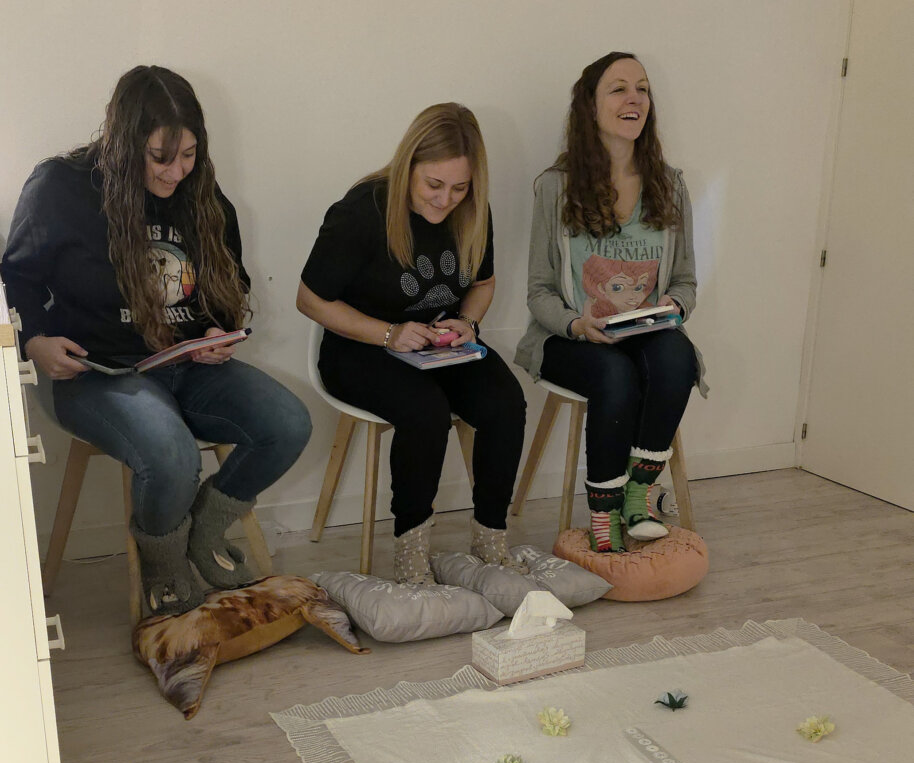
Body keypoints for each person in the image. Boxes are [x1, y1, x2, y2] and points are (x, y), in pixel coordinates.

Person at [1, 65, 312, 616]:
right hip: (94, 372)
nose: (175, 173)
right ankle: (164, 562)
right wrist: (34, 343)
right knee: (170, 457)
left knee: (288, 424)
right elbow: (17, 277)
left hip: (187, 365)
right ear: (124, 145)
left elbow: (229, 278)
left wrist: (218, 328)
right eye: (160, 157)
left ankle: (201, 531)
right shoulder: (62, 186)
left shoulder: (199, 191)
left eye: (189, 154)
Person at [297, 102, 527, 586]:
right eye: (433, 186)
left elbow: (483, 283)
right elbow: (311, 300)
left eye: (459, 188)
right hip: (360, 346)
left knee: (506, 401)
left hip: (435, 345)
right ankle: (412, 554)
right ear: (408, 168)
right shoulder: (363, 211)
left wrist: (466, 321)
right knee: (425, 412)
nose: (446, 201)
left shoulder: (472, 210)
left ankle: (490, 536)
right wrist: (389, 334)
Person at [516, 52, 707, 554]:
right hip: (572, 337)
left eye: (642, 88)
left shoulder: (670, 184)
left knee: (677, 357)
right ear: (590, 107)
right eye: (619, 88)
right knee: (614, 375)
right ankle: (603, 513)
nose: (634, 99)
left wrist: (673, 307)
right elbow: (538, 291)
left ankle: (638, 497)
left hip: (645, 333)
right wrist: (577, 324)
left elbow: (686, 281)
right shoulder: (555, 188)